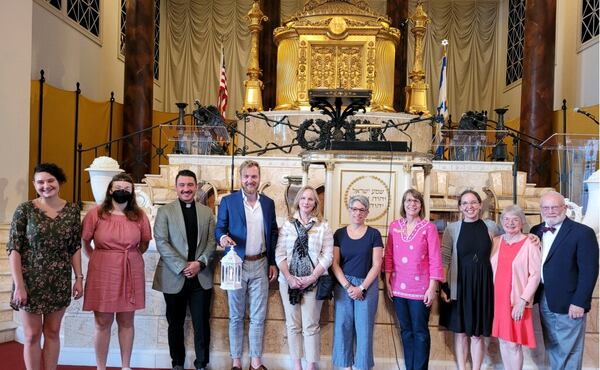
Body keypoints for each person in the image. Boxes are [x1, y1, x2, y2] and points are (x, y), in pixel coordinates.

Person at [7, 163, 83, 370]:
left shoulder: (72, 211)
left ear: (59, 182)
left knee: (52, 333)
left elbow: (74, 247)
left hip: (58, 280)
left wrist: (78, 278)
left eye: (50, 181)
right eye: (40, 182)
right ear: (34, 184)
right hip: (29, 280)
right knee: (32, 335)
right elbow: (14, 249)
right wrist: (19, 285)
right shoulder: (24, 210)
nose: (45, 185)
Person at [82, 173, 152, 370]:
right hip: (102, 270)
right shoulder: (96, 213)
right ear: (111, 190)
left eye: (126, 189)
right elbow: (85, 241)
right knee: (102, 321)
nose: (122, 191)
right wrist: (97, 257)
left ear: (132, 193)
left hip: (130, 268)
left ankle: (125, 366)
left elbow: (145, 242)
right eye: (118, 187)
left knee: (126, 320)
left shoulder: (139, 216)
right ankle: (101, 367)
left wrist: (131, 256)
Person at [215, 160, 279, 370]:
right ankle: (236, 362)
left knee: (258, 317)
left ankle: (255, 361)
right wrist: (223, 238)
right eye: (246, 176)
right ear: (240, 178)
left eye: (254, 176)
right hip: (236, 265)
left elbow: (272, 233)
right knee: (236, 316)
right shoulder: (228, 201)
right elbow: (219, 228)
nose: (250, 181)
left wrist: (272, 262)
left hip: (260, 263)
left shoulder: (268, 203)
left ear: (259, 178)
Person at [153, 170, 217, 370]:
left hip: (201, 277)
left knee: (201, 324)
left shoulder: (206, 212)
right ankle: (177, 364)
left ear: (196, 187)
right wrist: (182, 266)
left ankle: (201, 364)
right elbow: (162, 243)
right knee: (175, 324)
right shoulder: (165, 211)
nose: (186, 189)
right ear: (176, 187)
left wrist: (200, 263)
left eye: (190, 185)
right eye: (182, 185)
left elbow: (211, 242)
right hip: (173, 275)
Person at [531, 191, 598, 370]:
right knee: (553, 345)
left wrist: (579, 302)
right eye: (546, 207)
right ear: (541, 209)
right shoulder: (535, 230)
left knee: (569, 348)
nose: (551, 211)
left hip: (570, 301)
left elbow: (589, 271)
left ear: (565, 208)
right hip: (545, 297)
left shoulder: (583, 233)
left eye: (555, 207)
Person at [384, 189, 443, 370]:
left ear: (421, 205)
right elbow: (388, 256)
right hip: (398, 288)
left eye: (416, 201)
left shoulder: (429, 228)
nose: (412, 204)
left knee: (420, 333)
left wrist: (432, 287)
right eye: (409, 200)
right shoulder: (394, 226)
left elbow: (435, 258)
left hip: (420, 290)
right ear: (403, 204)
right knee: (406, 332)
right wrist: (387, 282)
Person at [275, 186, 333, 370]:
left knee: (310, 325)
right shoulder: (287, 225)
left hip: (313, 282)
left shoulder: (323, 226)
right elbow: (280, 254)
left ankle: (310, 366)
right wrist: (289, 277)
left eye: (310, 199)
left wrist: (312, 277)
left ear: (316, 202)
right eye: (303, 198)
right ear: (298, 201)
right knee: (293, 325)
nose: (306, 202)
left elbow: (328, 255)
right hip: (288, 282)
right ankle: (297, 365)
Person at [439, 189, 498, 370]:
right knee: (461, 332)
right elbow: (445, 258)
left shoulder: (491, 226)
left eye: (473, 202)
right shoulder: (452, 228)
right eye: (465, 203)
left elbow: (515, 234)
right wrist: (444, 286)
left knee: (477, 334)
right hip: (460, 285)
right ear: (460, 207)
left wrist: (534, 236)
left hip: (483, 285)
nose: (469, 206)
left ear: (480, 205)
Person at [331, 195, 383, 370]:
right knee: (343, 327)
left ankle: (362, 366)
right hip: (343, 285)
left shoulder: (374, 234)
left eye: (362, 209)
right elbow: (334, 264)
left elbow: (377, 265)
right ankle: (346, 367)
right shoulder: (339, 234)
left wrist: (361, 287)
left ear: (367, 212)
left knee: (364, 330)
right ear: (349, 210)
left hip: (367, 285)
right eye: (354, 209)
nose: (358, 213)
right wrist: (348, 286)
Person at [490, 205, 541, 370]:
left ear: (522, 222)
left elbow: (535, 275)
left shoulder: (530, 243)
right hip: (497, 299)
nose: (510, 223)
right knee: (503, 341)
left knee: (513, 344)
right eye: (506, 219)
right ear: (501, 222)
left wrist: (522, 301)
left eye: (515, 219)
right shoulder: (496, 241)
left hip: (516, 301)